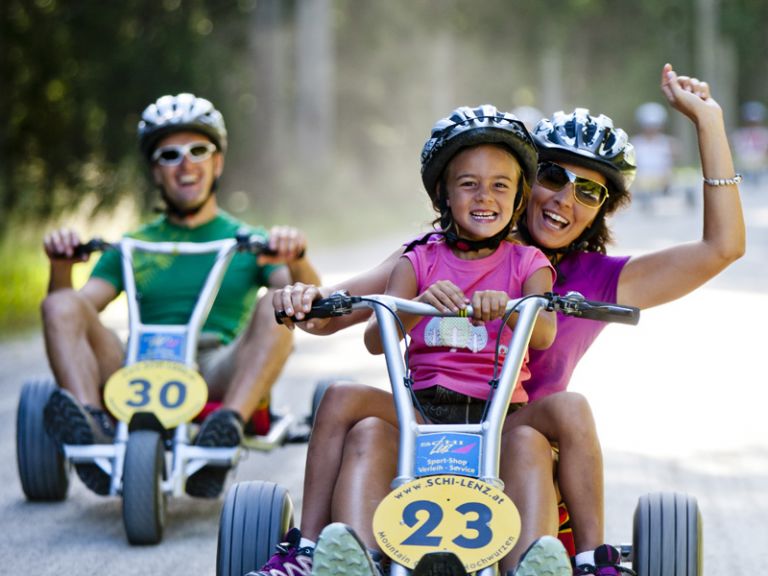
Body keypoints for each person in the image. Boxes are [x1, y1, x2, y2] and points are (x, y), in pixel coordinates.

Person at [261, 63, 745, 576]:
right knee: (360, 427)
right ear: (523, 181)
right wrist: (299, 293)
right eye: (553, 176)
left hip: (523, 453)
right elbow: (333, 313)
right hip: (428, 440)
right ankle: (316, 552)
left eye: (588, 192)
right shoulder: (433, 255)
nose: (564, 199)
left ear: (601, 209)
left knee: (544, 430)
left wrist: (709, 123)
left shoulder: (597, 280)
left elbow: (723, 247)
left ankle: (585, 557)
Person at [41, 93, 321, 499]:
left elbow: (308, 300)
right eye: (169, 155)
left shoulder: (248, 242)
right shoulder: (132, 244)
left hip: (213, 367)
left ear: (217, 162)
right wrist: (61, 266)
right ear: (156, 172)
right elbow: (71, 314)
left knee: (278, 300)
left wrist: (296, 257)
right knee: (58, 302)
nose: (186, 163)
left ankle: (224, 430)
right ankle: (91, 427)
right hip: (135, 363)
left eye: (198, 150)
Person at [630, 101, 679, 212]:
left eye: (654, 126)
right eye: (648, 126)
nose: (651, 129)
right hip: (641, 182)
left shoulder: (668, 143)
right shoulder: (635, 143)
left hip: (662, 182)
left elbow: (671, 164)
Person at [730, 100, 768, 189]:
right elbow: (734, 151)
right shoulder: (738, 135)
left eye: (755, 122)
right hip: (743, 170)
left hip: (762, 170)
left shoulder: (765, 134)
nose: (753, 125)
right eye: (750, 122)